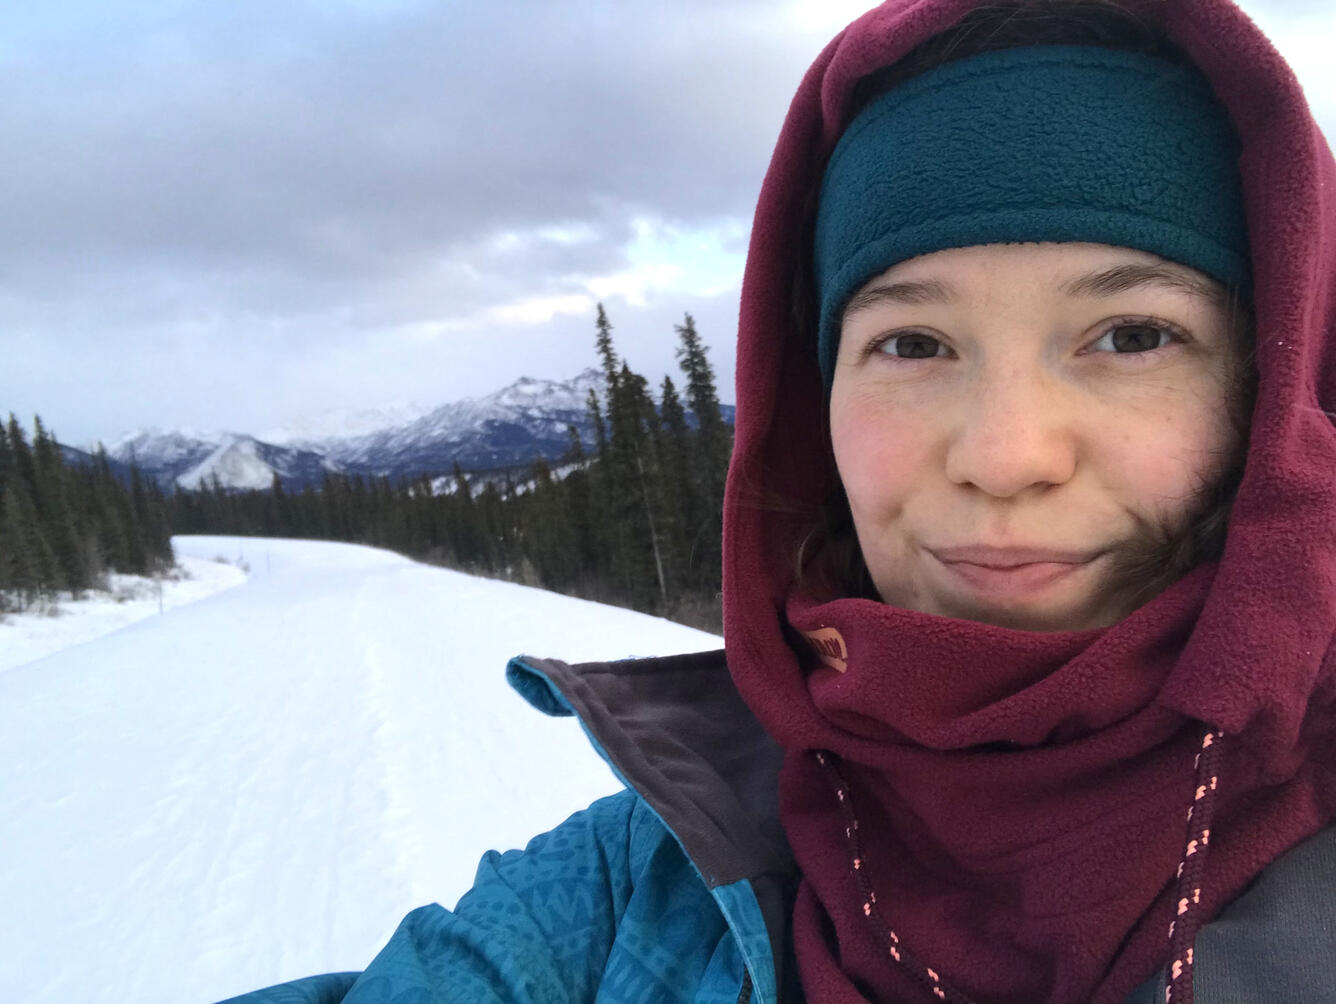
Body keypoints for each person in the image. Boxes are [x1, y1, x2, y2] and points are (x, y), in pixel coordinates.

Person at [224, 0, 1336, 1001]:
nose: (1004, 455)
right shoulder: (627, 891)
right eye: (912, 341)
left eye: (1131, 335)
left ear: (1272, 394)